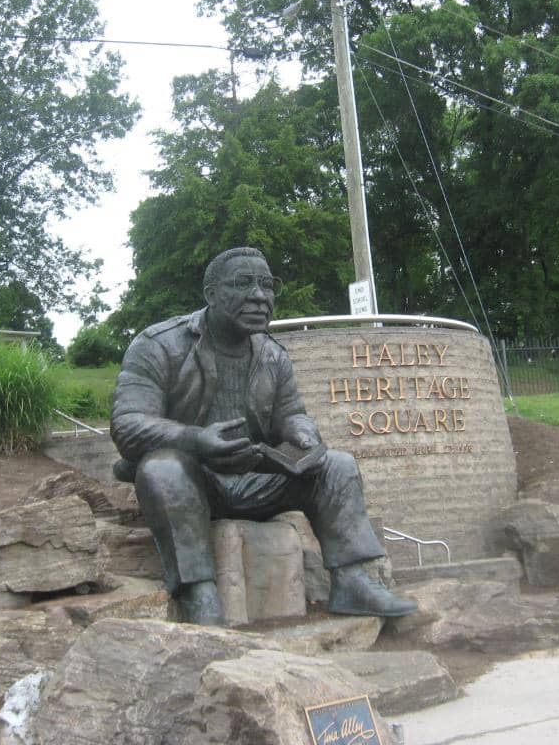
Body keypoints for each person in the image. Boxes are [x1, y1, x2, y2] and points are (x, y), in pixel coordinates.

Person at [111, 247, 417, 626]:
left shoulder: (273, 355)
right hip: (195, 484)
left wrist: (302, 433)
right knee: (164, 469)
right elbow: (127, 423)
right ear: (210, 293)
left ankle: (352, 582)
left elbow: (291, 414)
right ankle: (200, 597)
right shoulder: (159, 344)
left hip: (255, 480)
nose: (259, 296)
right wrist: (196, 440)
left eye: (267, 285)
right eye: (242, 284)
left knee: (337, 465)